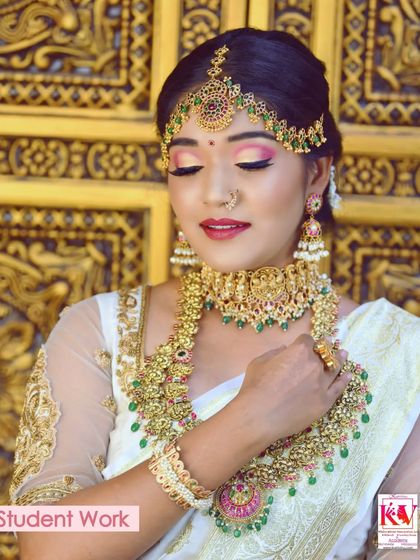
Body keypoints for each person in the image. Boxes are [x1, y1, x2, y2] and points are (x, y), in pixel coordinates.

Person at [9, 28, 419, 560]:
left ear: (316, 174)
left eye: (251, 162)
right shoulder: (99, 332)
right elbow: (48, 545)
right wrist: (247, 421)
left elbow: (404, 543)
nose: (214, 193)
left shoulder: (399, 357)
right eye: (187, 167)